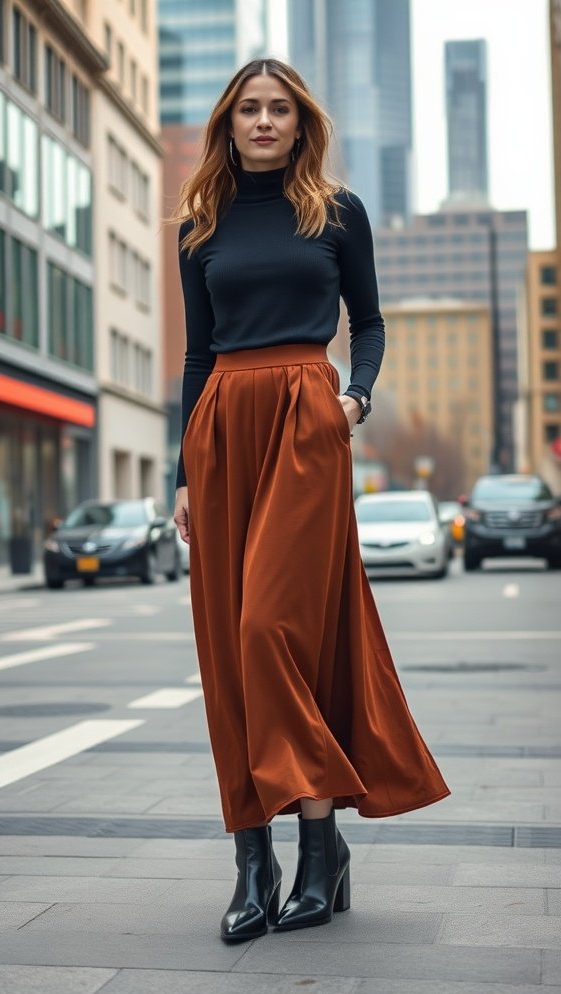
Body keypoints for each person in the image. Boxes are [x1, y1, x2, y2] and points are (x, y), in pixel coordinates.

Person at [172, 58, 450, 943]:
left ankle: (320, 844)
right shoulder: (200, 226)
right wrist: (183, 469)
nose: (262, 122)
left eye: (278, 110)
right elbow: (195, 355)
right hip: (221, 427)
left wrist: (354, 400)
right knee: (227, 641)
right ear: (229, 122)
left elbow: (367, 322)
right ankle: (256, 860)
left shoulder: (335, 213)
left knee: (269, 629)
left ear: (300, 124)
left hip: (304, 420)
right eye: (248, 109)